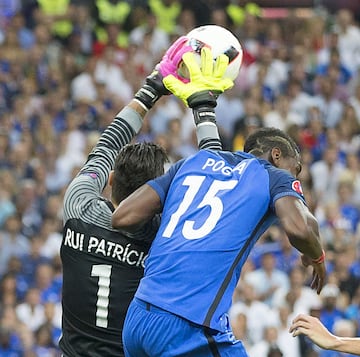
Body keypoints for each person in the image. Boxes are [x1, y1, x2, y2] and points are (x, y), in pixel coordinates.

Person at [111, 51, 327, 356]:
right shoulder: (272, 177)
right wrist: (316, 256)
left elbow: (123, 215)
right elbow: (300, 228)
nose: (297, 182)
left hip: (137, 320)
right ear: (277, 155)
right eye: (297, 170)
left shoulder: (193, 162)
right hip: (187, 326)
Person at [59, 40, 233, 356]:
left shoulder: (77, 208)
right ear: (156, 196)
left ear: (110, 181)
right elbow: (214, 181)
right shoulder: (164, 238)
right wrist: (203, 107)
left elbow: (107, 146)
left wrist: (149, 90)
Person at [289, 314, 360, 355]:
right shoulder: (327, 353)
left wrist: (334, 341)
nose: (345, 335)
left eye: (347, 333)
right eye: (342, 333)